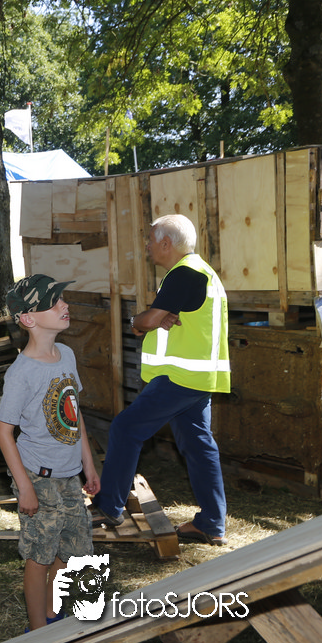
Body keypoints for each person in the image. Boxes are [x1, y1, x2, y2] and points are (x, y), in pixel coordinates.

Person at [91, 214, 231, 546]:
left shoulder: (184, 273)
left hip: (180, 379)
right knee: (198, 446)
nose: (147, 246)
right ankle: (212, 523)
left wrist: (138, 320)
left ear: (166, 244)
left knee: (126, 428)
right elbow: (158, 319)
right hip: (199, 378)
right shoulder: (202, 272)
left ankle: (108, 506)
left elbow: (148, 321)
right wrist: (152, 319)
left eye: (150, 240)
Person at [0, 274, 100, 631]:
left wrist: (89, 465)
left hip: (69, 475)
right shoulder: (21, 373)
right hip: (38, 478)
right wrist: (24, 487)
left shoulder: (66, 355)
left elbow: (73, 412)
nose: (64, 305)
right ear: (29, 318)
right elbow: (4, 432)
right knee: (39, 556)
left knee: (71, 550)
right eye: (54, 302)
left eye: (62, 299)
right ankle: (38, 632)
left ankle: (53, 614)